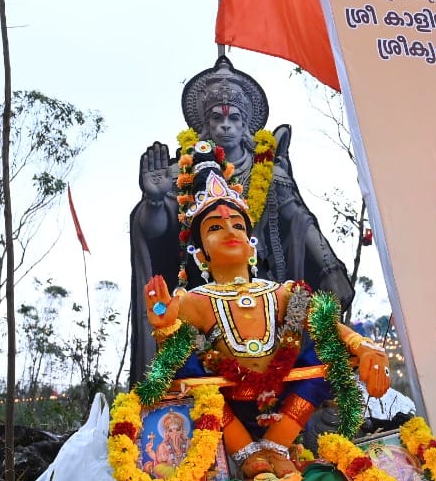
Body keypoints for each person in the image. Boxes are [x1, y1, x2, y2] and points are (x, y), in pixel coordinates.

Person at [142, 145, 389, 481]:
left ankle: (276, 445)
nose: (230, 231)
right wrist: (163, 322)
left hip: (285, 405)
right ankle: (245, 452)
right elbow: (166, 336)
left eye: (238, 226)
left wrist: (364, 347)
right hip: (228, 406)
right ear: (200, 255)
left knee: (324, 351)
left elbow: (328, 325)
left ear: (251, 243)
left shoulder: (281, 292)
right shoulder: (195, 300)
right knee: (184, 359)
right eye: (215, 228)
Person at [129, 57, 352, 384]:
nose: (226, 125)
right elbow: (155, 234)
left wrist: (331, 269)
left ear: (246, 124)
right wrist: (152, 201)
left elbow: (302, 222)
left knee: (288, 368)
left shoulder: (269, 171)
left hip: (268, 289)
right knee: (203, 379)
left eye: (234, 117)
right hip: (202, 295)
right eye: (216, 117)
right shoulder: (182, 171)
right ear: (204, 126)